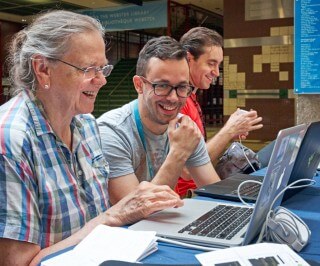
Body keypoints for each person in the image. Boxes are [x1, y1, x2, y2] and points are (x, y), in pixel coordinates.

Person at [0, 10, 184, 266]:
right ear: (43, 69)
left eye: (103, 68)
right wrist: (111, 218)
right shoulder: (11, 141)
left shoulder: (86, 125)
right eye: (89, 69)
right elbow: (18, 263)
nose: (102, 80)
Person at [97, 36, 221, 204]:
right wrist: (178, 153)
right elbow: (133, 211)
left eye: (182, 87)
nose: (173, 97)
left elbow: (215, 192)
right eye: (162, 86)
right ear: (139, 85)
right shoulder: (112, 132)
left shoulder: (184, 128)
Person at [175, 27, 264, 196]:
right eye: (211, 63)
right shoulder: (178, 102)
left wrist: (232, 131)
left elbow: (197, 154)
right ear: (188, 58)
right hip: (185, 200)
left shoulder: (191, 97)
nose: (216, 72)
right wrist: (229, 130)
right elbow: (186, 169)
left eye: (218, 65)